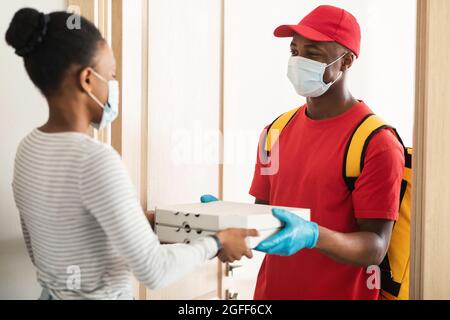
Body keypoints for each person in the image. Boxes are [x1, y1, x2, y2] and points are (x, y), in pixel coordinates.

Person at [6, 8, 257, 300]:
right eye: (111, 75)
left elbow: (48, 249)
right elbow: (155, 270)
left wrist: (136, 224)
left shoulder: (28, 148)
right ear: (87, 80)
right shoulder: (95, 159)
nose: (114, 85)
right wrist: (217, 242)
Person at [202, 5, 405, 300]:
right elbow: (265, 216)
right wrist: (221, 222)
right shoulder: (275, 131)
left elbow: (375, 246)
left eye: (313, 53)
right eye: (295, 51)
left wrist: (313, 235)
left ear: (346, 61)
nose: (299, 61)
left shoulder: (376, 142)